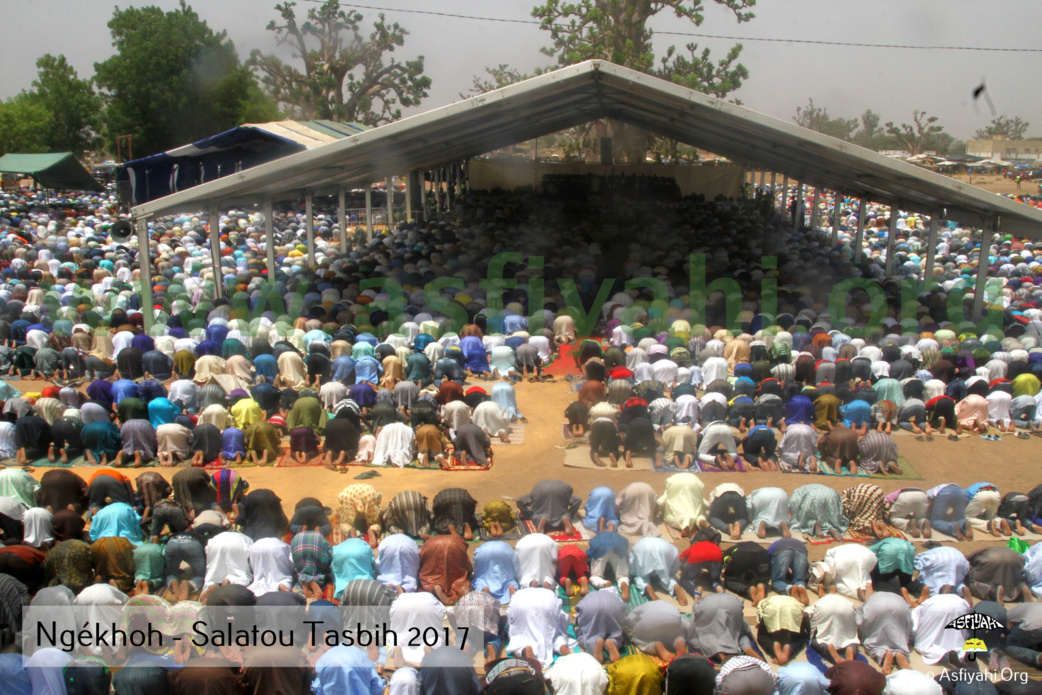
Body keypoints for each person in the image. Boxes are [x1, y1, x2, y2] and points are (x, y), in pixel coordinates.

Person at [505, 586, 573, 668]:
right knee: (555, 633)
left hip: (521, 604)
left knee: (519, 635)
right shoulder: (549, 593)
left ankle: (526, 647)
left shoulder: (517, 594)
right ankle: (563, 649)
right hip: (548, 603)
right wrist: (562, 630)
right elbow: (563, 618)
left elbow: (510, 618)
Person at [688, 591, 759, 661]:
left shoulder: (699, 606)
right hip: (733, 603)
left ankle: (720, 654)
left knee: (704, 636)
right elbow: (746, 628)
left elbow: (691, 632)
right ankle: (748, 650)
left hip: (707, 607)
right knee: (738, 634)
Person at [856, 591, 914, 673]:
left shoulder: (870, 599)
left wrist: (862, 635)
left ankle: (883, 655)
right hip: (901, 606)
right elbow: (909, 623)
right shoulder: (898, 597)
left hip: (877, 607)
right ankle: (901, 655)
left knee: (873, 643)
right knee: (899, 638)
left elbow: (860, 621)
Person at [629, 536, 689, 604]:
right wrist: (669, 574)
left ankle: (648, 587)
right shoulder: (665, 543)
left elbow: (632, 565)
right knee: (666, 576)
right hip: (665, 548)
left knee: (641, 576)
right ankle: (674, 585)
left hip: (645, 548)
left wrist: (637, 572)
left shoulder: (638, 544)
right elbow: (673, 566)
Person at [574, 588, 628, 664]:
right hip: (613, 608)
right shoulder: (615, 597)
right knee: (617, 631)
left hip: (591, 609)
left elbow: (578, 613)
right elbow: (624, 612)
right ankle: (613, 641)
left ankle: (593, 644)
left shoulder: (589, 595)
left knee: (583, 633)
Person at [806, 592, 860, 663]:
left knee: (817, 640)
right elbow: (857, 617)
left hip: (825, 609)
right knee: (852, 639)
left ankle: (827, 649)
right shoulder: (846, 601)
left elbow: (806, 614)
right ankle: (851, 651)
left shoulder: (820, 601)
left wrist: (808, 631)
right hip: (847, 609)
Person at [755, 593, 808, 666]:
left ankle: (773, 646)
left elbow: (761, 615)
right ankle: (790, 648)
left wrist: (761, 624)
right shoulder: (795, 601)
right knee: (799, 638)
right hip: (793, 609)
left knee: (762, 636)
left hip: (773, 609)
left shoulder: (763, 602)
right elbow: (803, 614)